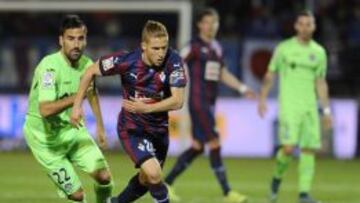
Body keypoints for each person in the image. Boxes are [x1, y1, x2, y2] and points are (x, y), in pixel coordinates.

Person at [71, 20, 187, 203]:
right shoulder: (126, 61)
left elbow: (178, 100)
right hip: (132, 128)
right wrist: (77, 106)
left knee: (145, 179)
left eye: (164, 47)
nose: (161, 53)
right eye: (155, 48)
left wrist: (147, 108)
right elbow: (89, 71)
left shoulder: (173, 61)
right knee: (154, 174)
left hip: (159, 131)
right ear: (144, 46)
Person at [164, 8, 255, 203]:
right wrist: (164, 85)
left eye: (215, 22)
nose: (211, 26)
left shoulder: (217, 48)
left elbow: (222, 74)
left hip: (210, 102)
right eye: (208, 22)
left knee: (197, 147)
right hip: (199, 102)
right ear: (199, 24)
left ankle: (167, 183)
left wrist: (242, 88)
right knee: (215, 143)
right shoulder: (194, 46)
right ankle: (228, 193)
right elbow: (175, 62)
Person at [23, 15, 113, 203]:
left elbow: (92, 92)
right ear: (61, 40)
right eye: (71, 38)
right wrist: (77, 98)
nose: (76, 44)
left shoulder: (87, 65)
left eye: (81, 38)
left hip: (71, 131)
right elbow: (45, 110)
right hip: (45, 140)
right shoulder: (49, 68)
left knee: (104, 177)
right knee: (77, 195)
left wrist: (100, 126)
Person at [258, 10, 332, 203]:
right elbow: (270, 74)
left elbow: (321, 82)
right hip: (290, 107)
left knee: (308, 149)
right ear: (296, 26)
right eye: (302, 24)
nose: (306, 27)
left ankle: (304, 194)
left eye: (310, 24)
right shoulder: (284, 49)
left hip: (309, 108)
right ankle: (276, 180)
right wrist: (262, 98)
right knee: (289, 149)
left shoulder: (319, 52)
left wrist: (326, 110)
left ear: (314, 27)